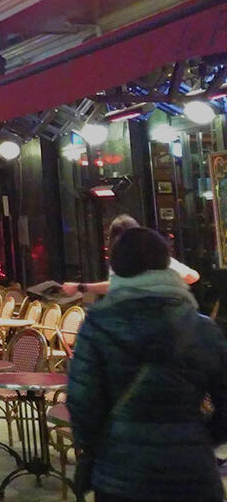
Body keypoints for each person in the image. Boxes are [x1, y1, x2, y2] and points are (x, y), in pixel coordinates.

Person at [68, 227, 227, 502]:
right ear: (166, 265)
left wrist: (104, 448)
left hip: (122, 478)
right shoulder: (203, 329)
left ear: (116, 269)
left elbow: (82, 405)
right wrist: (196, 437)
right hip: (192, 475)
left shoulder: (97, 327)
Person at [63, 214, 200, 297]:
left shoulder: (130, 260)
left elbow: (114, 285)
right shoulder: (155, 258)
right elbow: (192, 276)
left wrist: (80, 287)